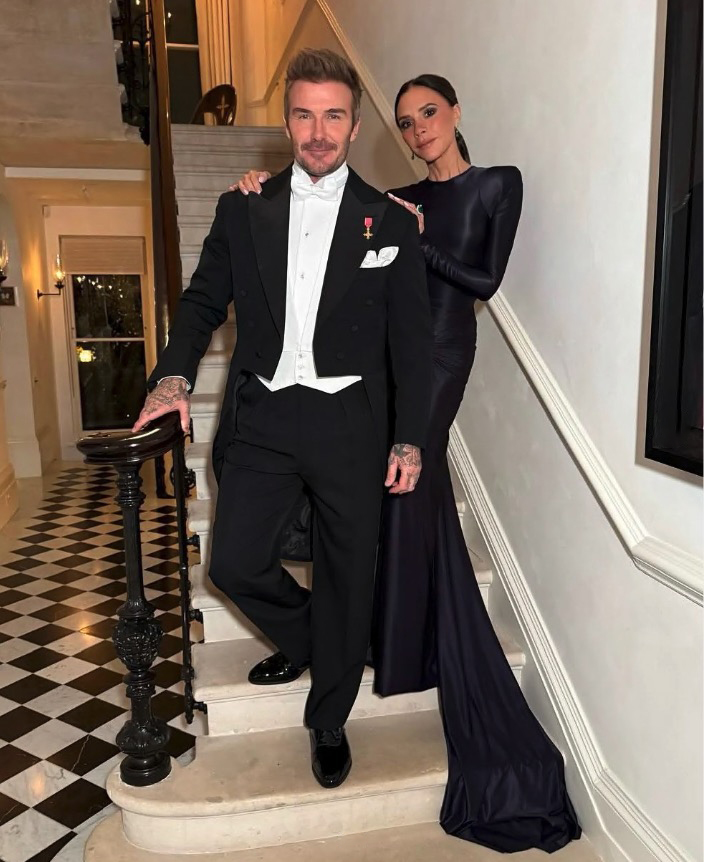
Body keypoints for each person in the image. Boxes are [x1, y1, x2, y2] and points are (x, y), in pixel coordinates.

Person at [232, 73, 581, 853]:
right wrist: (263, 190)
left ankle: (393, 645)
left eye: (429, 113)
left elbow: (486, 280)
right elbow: (329, 249)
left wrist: (418, 236)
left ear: (455, 113)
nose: (418, 127)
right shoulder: (388, 199)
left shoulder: (496, 186)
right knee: (361, 501)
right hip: (388, 360)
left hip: (444, 351)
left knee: (407, 494)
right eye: (405, 120)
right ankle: (342, 638)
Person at [132, 49, 432, 791]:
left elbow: (412, 347)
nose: (319, 131)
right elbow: (202, 302)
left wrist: (411, 436)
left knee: (345, 573)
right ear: (287, 121)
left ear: (355, 125)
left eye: (334, 115)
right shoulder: (246, 206)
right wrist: (172, 377)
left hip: (350, 425)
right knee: (231, 561)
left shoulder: (389, 222)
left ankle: (328, 716)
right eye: (304, 114)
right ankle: (318, 642)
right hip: (264, 413)